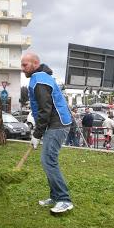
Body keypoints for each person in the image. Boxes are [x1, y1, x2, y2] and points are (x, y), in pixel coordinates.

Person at [21, 52, 74, 214]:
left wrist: (37, 134)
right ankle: (55, 196)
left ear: (35, 64)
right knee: (48, 160)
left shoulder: (40, 80)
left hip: (57, 125)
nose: (22, 68)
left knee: (48, 161)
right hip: (54, 124)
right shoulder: (41, 78)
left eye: (25, 65)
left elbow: (45, 110)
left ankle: (64, 200)